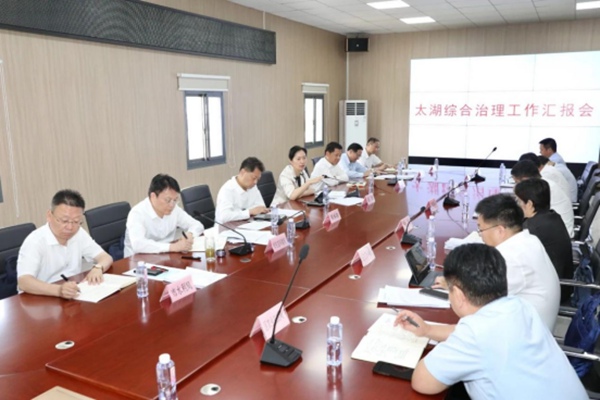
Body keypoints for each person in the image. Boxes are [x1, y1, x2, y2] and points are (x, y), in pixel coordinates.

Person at [395, 243, 586, 400]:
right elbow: (478, 336)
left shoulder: (475, 334)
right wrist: (428, 330)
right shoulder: (519, 305)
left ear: (459, 295)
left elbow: (422, 382)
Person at [435, 194, 560, 330]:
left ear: (500, 230)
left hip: (524, 334)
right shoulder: (528, 239)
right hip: (529, 323)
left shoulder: (511, 259)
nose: (480, 235)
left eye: (481, 230)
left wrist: (453, 286)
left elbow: (476, 303)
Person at [17, 189, 113, 299]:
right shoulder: (35, 241)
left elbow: (105, 257)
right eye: (64, 221)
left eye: (76, 221)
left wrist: (98, 268)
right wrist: (59, 290)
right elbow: (24, 281)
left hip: (73, 293)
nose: (70, 227)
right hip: (41, 298)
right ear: (49, 215)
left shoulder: (79, 233)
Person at [514, 178, 573, 303]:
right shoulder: (552, 216)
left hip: (550, 293)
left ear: (529, 204)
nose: (516, 205)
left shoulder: (533, 229)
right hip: (559, 285)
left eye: (518, 201)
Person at [124, 174, 204, 257]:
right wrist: (173, 247)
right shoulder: (137, 213)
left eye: (175, 200)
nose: (172, 205)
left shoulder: (174, 209)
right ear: (153, 196)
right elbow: (138, 244)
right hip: (138, 260)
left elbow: (197, 225)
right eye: (168, 200)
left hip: (166, 255)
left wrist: (190, 234)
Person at [511, 160, 574, 237]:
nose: (515, 185)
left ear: (525, 179)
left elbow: (529, 213)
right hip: (555, 228)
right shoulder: (543, 184)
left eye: (516, 182)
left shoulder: (543, 188)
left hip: (558, 232)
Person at [215, 157, 268, 223]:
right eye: (254, 178)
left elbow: (261, 207)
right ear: (242, 172)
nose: (255, 182)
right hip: (227, 228)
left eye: (258, 179)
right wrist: (249, 212)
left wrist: (253, 211)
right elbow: (224, 216)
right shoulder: (228, 189)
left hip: (248, 224)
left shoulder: (253, 186)